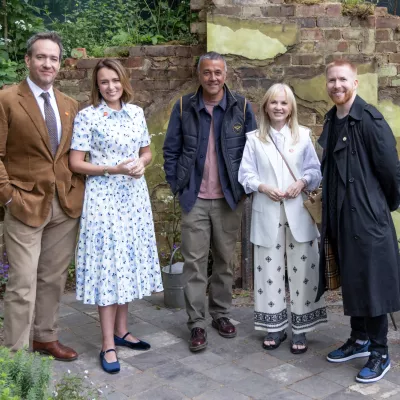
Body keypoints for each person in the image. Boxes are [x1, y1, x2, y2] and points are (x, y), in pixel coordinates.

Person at [69, 59, 163, 374]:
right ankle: (107, 342)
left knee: (126, 260)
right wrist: (113, 168)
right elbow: (76, 163)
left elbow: (146, 152)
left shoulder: (136, 113)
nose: (110, 87)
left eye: (115, 80)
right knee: (108, 265)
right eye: (104, 82)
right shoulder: (87, 116)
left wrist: (142, 164)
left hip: (133, 198)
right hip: (103, 199)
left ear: (124, 81)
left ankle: (122, 331)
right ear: (97, 86)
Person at [163, 52, 257, 352]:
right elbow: (171, 151)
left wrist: (243, 189)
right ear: (199, 75)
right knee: (194, 264)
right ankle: (196, 324)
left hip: (229, 199)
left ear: (225, 75)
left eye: (218, 72)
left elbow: (253, 151)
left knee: (225, 263)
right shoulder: (183, 107)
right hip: (195, 199)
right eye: (207, 72)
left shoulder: (241, 107)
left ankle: (220, 314)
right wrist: (179, 185)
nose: (212, 78)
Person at [0, 32, 84, 360]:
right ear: (28, 60)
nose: (47, 64)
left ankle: (45, 337)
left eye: (53, 58)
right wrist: (7, 195)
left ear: (59, 64)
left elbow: (74, 155)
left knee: (52, 278)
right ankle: (15, 355)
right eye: (41, 57)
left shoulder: (69, 105)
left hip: (63, 207)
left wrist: (75, 191)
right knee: (22, 284)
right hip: (23, 204)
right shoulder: (7, 99)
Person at [316, 59, 400, 383]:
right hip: (340, 216)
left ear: (356, 83)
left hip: (367, 217)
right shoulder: (333, 119)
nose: (337, 85)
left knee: (372, 283)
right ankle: (360, 339)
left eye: (343, 80)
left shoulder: (369, 119)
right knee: (353, 278)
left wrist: (382, 206)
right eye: (332, 80)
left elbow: (392, 171)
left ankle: (380, 352)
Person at [238, 83, 327, 354]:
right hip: (267, 210)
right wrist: (264, 187)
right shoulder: (254, 138)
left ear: (291, 109)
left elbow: (315, 170)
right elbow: (245, 174)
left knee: (303, 271)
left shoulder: (303, 135)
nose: (278, 107)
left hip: (299, 211)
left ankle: (300, 329)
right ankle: (274, 327)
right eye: (274, 102)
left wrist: (301, 182)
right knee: (268, 271)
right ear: (265, 106)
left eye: (284, 103)